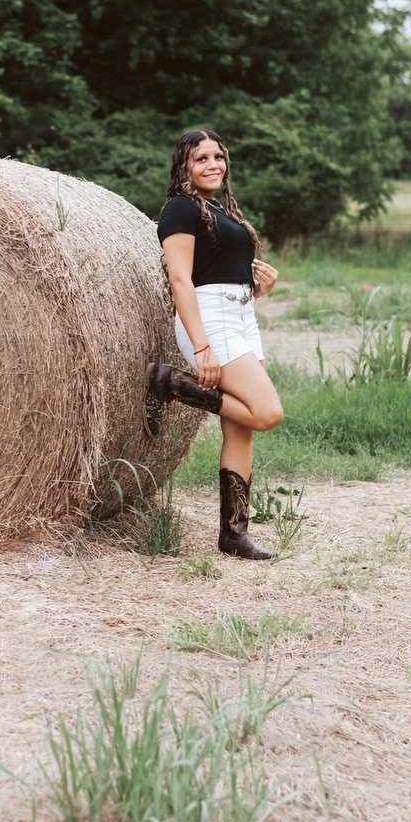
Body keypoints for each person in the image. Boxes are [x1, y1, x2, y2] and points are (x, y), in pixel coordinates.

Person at [146, 128, 284, 560]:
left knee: (241, 426)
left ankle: (233, 533)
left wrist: (261, 287)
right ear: (184, 166)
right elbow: (181, 279)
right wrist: (202, 347)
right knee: (267, 412)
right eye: (201, 158)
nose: (212, 165)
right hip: (211, 322)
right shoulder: (180, 210)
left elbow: (221, 270)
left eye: (218, 157)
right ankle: (176, 384)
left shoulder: (217, 209)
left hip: (241, 318)